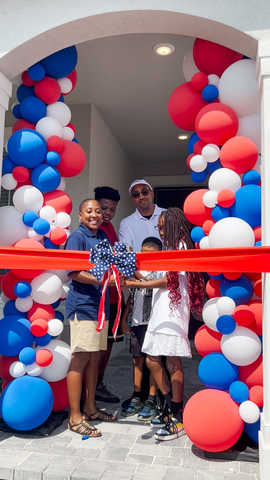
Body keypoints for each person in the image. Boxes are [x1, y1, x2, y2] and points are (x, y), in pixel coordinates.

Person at [125, 208, 205, 441]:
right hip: (162, 311)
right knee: (152, 359)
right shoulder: (169, 248)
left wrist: (138, 284)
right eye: (158, 227)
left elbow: (168, 281)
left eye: (162, 226)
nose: (159, 230)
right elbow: (153, 278)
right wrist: (133, 273)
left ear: (174, 226)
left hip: (172, 312)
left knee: (171, 361)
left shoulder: (180, 247)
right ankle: (172, 408)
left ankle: (177, 416)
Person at [65, 198, 118, 437]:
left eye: (98, 211)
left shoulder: (104, 238)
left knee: (95, 359)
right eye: (90, 211)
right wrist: (102, 280)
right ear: (80, 215)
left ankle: (90, 408)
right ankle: (75, 418)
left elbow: (111, 268)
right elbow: (74, 272)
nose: (95, 215)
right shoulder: (77, 238)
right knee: (80, 358)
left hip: (101, 307)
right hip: (84, 307)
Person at [120, 237, 163, 421]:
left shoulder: (163, 270)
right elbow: (132, 295)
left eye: (153, 255)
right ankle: (137, 396)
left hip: (155, 321)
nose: (148, 258)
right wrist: (124, 319)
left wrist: (141, 278)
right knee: (137, 359)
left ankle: (151, 399)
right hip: (137, 321)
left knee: (153, 360)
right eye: (144, 254)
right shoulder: (135, 269)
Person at [94, 186, 122, 404]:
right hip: (98, 295)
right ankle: (91, 387)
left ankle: (98, 384)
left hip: (114, 295)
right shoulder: (92, 229)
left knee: (109, 343)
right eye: (104, 208)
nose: (107, 213)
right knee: (97, 344)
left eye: (112, 209)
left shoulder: (111, 227)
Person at [119, 179, 165, 253]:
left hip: (166, 263)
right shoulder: (126, 223)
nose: (141, 197)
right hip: (140, 264)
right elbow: (126, 249)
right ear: (132, 200)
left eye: (144, 192)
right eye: (136, 195)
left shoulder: (167, 215)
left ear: (152, 194)